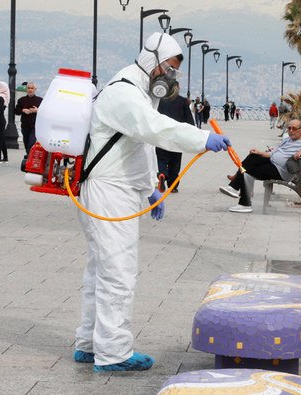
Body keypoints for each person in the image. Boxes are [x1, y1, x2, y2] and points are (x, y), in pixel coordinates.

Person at [73, 32, 230, 372]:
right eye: (170, 68)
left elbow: (138, 145)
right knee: (118, 271)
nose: (171, 77)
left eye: (175, 71)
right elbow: (154, 130)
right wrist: (202, 138)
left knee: (100, 269)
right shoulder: (124, 93)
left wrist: (149, 189)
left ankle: (89, 342)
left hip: (119, 188)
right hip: (108, 192)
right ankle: (113, 352)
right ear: (153, 61)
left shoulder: (137, 92)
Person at [219, 119, 301, 213]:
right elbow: (275, 153)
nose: (291, 131)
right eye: (289, 128)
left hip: (280, 171)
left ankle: (240, 197)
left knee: (247, 170)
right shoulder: (288, 140)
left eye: (294, 128)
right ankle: (239, 195)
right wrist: (259, 152)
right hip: (272, 163)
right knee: (252, 157)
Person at [156, 81, 194, 192]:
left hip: (162, 135)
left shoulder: (160, 101)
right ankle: (173, 186)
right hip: (177, 136)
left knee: (161, 158)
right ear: (177, 88)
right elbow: (190, 121)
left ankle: (162, 174)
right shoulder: (183, 101)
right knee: (175, 162)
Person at [15, 82, 43, 156]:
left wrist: (37, 110)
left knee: (31, 143)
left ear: (35, 89)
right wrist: (23, 110)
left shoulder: (40, 100)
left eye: (32, 88)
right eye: (28, 88)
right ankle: (29, 156)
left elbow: (45, 112)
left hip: (35, 126)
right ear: (26, 89)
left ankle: (29, 157)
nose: (30, 90)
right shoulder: (21, 100)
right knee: (26, 143)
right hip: (25, 125)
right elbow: (16, 111)